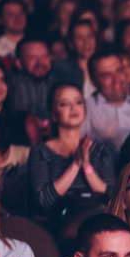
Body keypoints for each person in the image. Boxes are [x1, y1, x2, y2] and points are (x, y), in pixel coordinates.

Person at [28, 83, 115, 217]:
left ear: (85, 109)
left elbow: (112, 198)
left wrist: (86, 166)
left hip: (98, 222)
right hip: (56, 226)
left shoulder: (100, 150)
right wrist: (75, 165)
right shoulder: (41, 151)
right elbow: (44, 201)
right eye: (64, 104)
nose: (73, 107)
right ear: (53, 114)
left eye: (78, 102)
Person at [81, 47, 130, 152]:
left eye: (119, 71)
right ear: (93, 82)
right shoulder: (85, 110)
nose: (116, 79)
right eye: (107, 75)